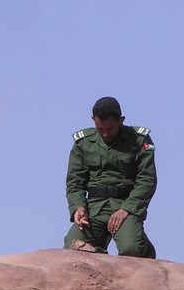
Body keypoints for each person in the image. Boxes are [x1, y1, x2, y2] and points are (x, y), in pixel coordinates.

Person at [63, 97, 157, 258]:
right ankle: (101, 254)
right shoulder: (83, 143)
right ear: (93, 120)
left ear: (121, 120)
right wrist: (78, 208)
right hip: (94, 209)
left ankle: (143, 246)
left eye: (110, 129)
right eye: (100, 129)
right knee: (72, 248)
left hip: (125, 206)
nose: (105, 134)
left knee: (131, 249)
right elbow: (74, 183)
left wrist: (126, 209)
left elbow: (147, 180)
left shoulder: (139, 140)